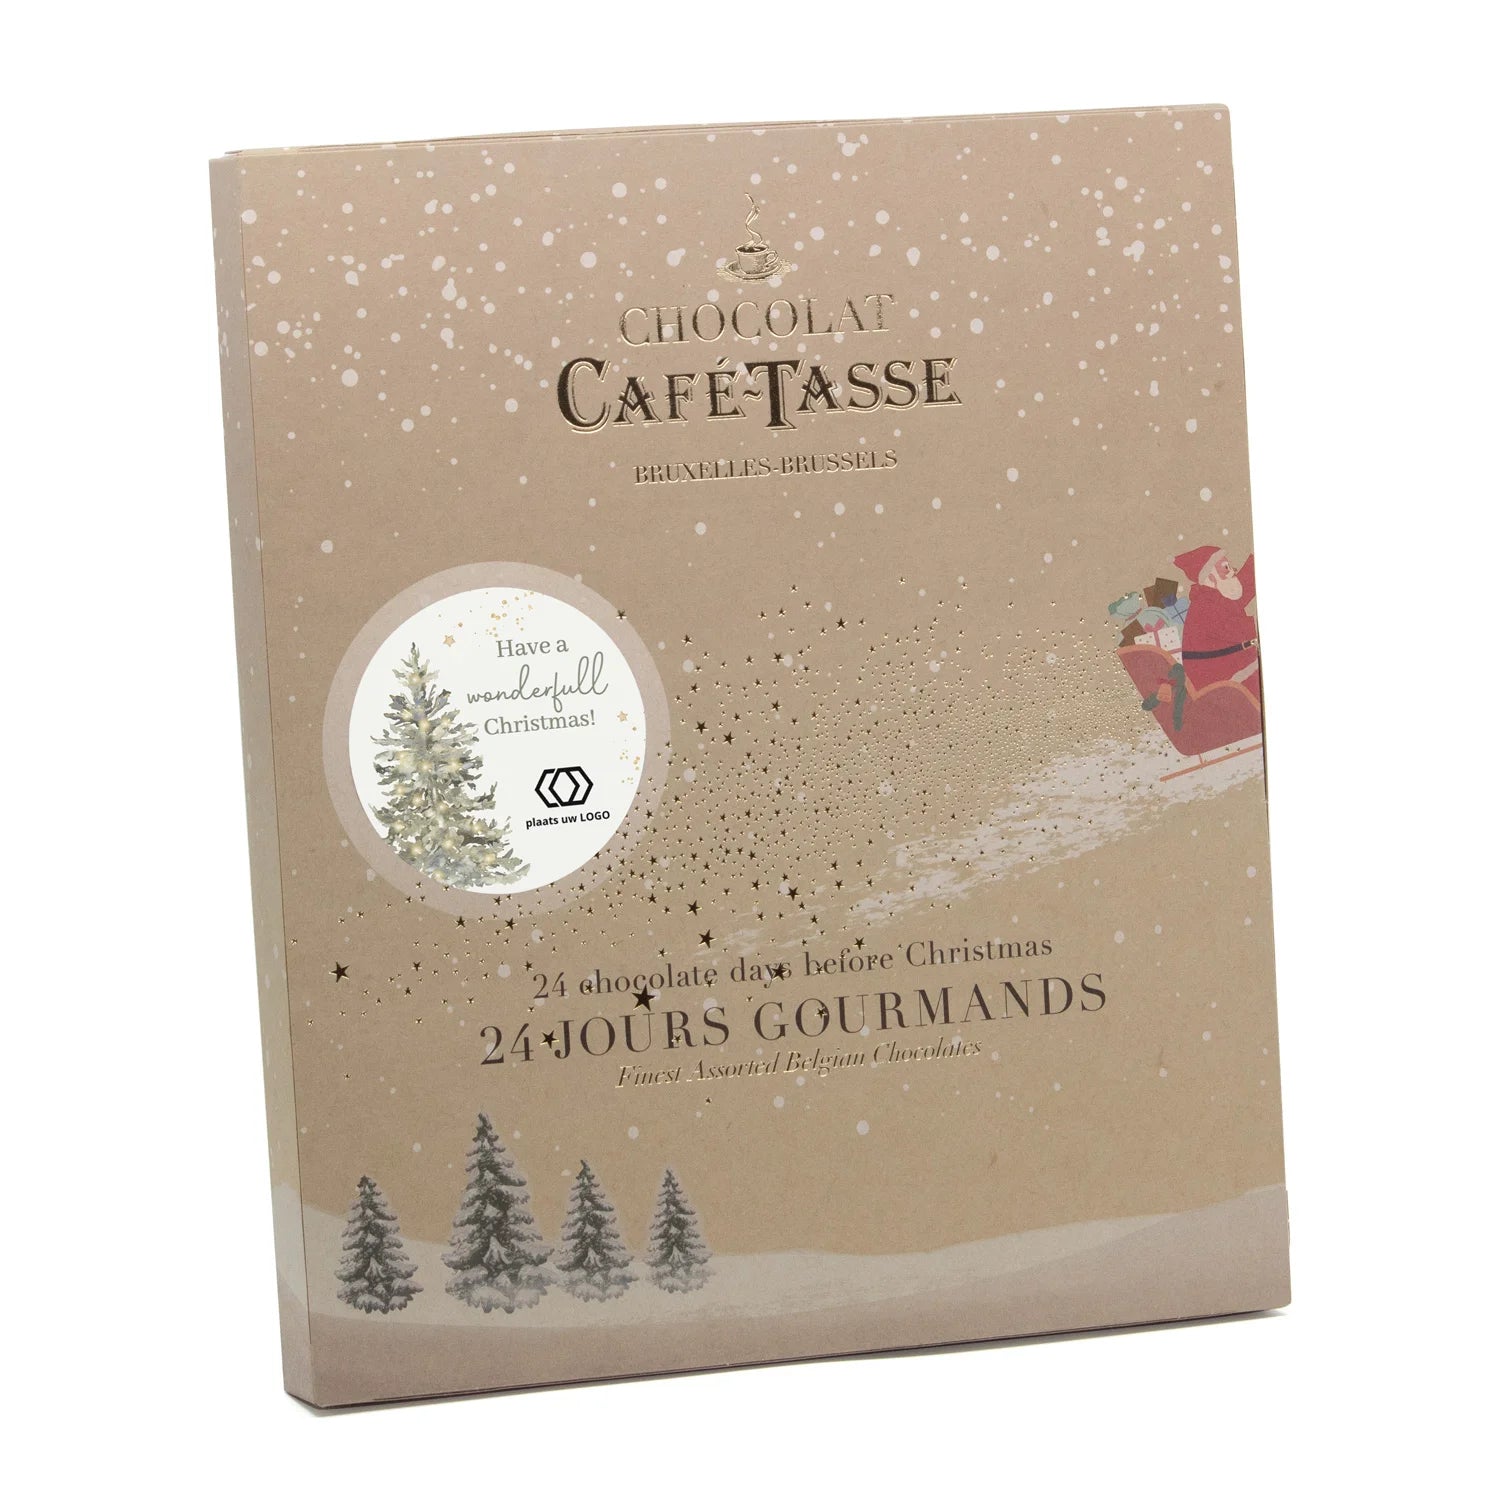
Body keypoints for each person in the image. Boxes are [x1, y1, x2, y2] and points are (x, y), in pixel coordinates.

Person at [1173, 545, 1259, 700]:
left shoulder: (1217, 594)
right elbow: (1239, 630)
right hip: (1217, 680)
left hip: (1228, 664)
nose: (1232, 571)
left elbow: (1244, 587)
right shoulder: (1206, 605)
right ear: (1210, 578)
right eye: (1225, 568)